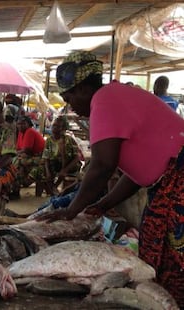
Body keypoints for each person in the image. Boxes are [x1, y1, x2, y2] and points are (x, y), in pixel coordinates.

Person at [36, 50, 184, 307]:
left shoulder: (104, 99)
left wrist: (73, 209)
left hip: (178, 182)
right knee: (156, 257)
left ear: (82, 88)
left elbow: (102, 165)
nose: (69, 104)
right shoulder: (115, 96)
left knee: (173, 260)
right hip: (164, 184)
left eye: (68, 96)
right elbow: (136, 173)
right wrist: (103, 204)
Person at [36, 115, 82, 196]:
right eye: (54, 126)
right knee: (42, 169)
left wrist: (65, 170)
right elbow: (46, 157)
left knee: (62, 169)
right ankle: (51, 189)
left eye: (58, 126)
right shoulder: (49, 140)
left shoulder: (69, 140)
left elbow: (76, 158)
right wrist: (47, 172)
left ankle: (54, 187)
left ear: (63, 129)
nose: (54, 128)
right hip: (55, 164)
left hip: (69, 164)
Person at [10, 115, 45, 198]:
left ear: (28, 124)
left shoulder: (29, 131)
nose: (20, 126)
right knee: (16, 162)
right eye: (18, 124)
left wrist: (15, 153)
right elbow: (18, 149)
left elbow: (26, 150)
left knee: (17, 162)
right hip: (31, 157)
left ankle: (16, 189)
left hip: (41, 158)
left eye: (23, 123)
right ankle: (16, 188)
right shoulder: (21, 133)